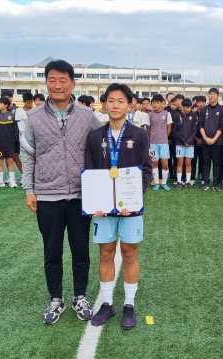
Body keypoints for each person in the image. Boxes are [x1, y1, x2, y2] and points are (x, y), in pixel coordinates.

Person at [22, 59, 102, 325]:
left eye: (63, 80)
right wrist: (29, 190)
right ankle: (56, 298)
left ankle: (80, 296)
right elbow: (29, 155)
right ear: (46, 83)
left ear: (73, 83)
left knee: (81, 251)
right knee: (52, 251)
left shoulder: (86, 115)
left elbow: (104, 143)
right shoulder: (33, 117)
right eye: (52, 80)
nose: (57, 85)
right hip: (47, 195)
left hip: (81, 196)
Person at [85, 83, 152, 330]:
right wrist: (95, 201)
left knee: (129, 253)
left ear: (129, 104)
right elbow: (90, 172)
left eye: (121, 100)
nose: (115, 105)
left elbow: (146, 170)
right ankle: (107, 303)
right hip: (103, 208)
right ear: (104, 104)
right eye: (111, 100)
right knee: (105, 253)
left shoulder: (140, 135)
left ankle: (129, 304)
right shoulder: (94, 137)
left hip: (130, 208)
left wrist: (135, 199)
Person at [199, 88, 223, 192]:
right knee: (205, 162)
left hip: (217, 142)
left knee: (216, 162)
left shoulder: (222, 109)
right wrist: (205, 138)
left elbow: (222, 126)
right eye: (210, 94)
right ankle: (205, 182)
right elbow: (200, 124)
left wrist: (214, 139)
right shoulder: (204, 109)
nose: (212, 96)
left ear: (217, 96)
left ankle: (216, 182)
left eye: (214, 94)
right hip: (205, 141)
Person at [147, 94, 172, 190]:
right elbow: (149, 128)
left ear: (162, 104)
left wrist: (164, 137)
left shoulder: (167, 114)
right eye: (153, 103)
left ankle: (164, 182)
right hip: (153, 143)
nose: (155, 105)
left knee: (165, 164)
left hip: (164, 143)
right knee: (154, 163)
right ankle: (157, 182)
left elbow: (169, 128)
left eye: (157, 103)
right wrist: (154, 137)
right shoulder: (149, 115)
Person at [0, 96, 18, 188]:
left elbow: (15, 130)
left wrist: (13, 141)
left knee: (10, 160)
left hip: (10, 143)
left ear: (6, 105)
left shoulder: (12, 115)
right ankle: (1, 181)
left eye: (1, 103)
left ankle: (12, 181)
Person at [173, 98, 198, 189]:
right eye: (186, 107)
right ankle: (179, 181)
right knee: (180, 162)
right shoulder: (176, 115)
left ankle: (187, 182)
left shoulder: (194, 115)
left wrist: (189, 141)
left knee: (188, 162)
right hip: (180, 143)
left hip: (190, 144)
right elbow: (174, 131)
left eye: (190, 107)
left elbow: (194, 130)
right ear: (182, 106)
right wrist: (183, 141)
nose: (188, 109)